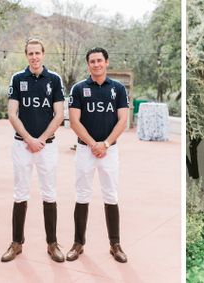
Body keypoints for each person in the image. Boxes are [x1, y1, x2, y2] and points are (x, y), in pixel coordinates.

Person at [1, 38, 65, 263]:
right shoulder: (18, 79)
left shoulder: (54, 79)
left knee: (49, 194)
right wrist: (29, 139)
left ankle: (52, 243)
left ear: (43, 54)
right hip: (22, 145)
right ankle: (16, 243)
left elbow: (59, 114)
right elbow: (12, 113)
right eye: (30, 53)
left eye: (38, 53)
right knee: (20, 194)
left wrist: (41, 140)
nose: (34, 57)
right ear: (26, 55)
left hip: (47, 147)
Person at [66, 47, 129, 263]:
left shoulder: (118, 89)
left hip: (110, 151)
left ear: (106, 62)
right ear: (88, 65)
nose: (96, 64)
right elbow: (74, 121)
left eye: (99, 60)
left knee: (111, 195)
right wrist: (94, 144)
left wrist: (106, 144)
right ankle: (78, 244)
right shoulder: (79, 88)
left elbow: (123, 120)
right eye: (92, 61)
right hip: (85, 150)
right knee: (82, 195)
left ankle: (115, 244)